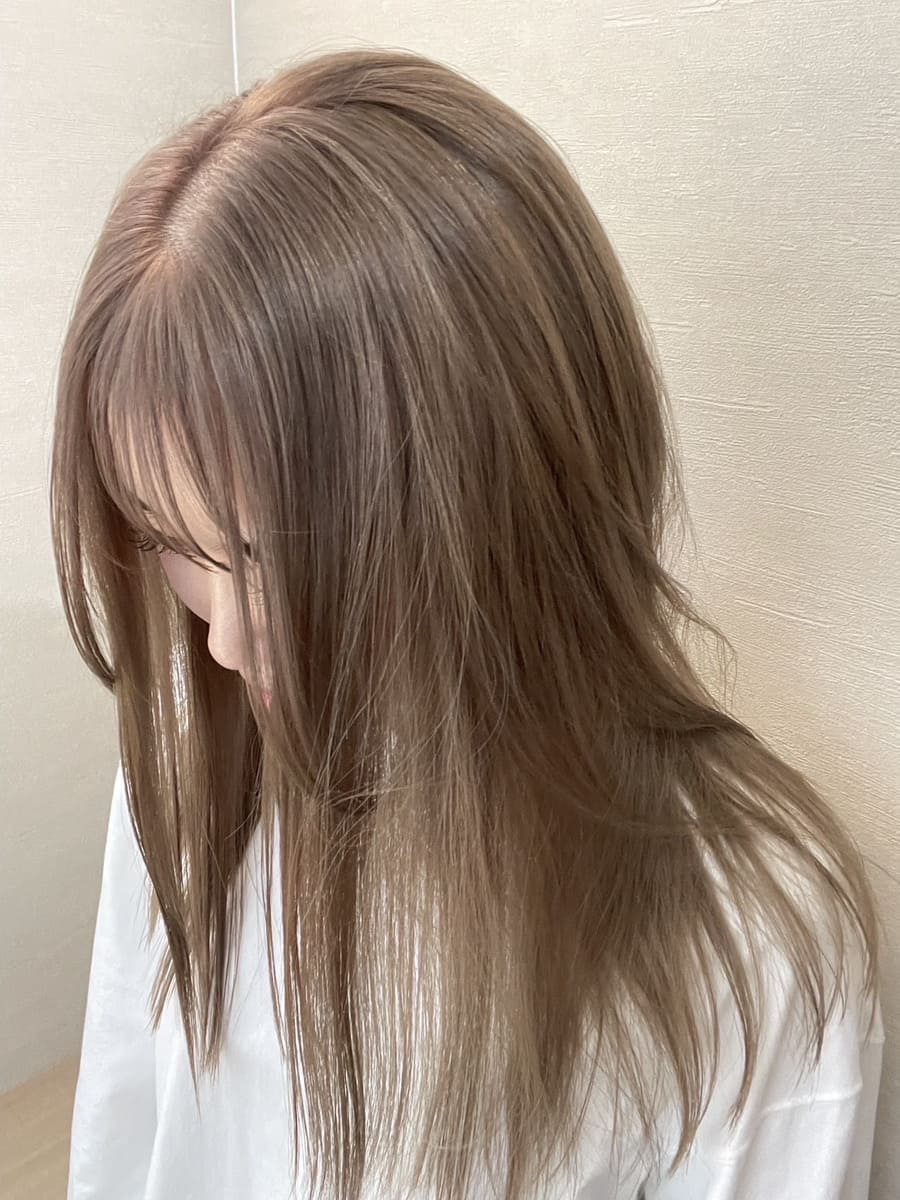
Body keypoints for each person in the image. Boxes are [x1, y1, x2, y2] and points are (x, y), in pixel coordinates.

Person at [50, 46, 883, 1200]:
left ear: (509, 498)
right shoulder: (199, 757)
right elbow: (130, 1135)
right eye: (171, 542)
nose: (226, 644)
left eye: (278, 557)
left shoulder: (751, 941)